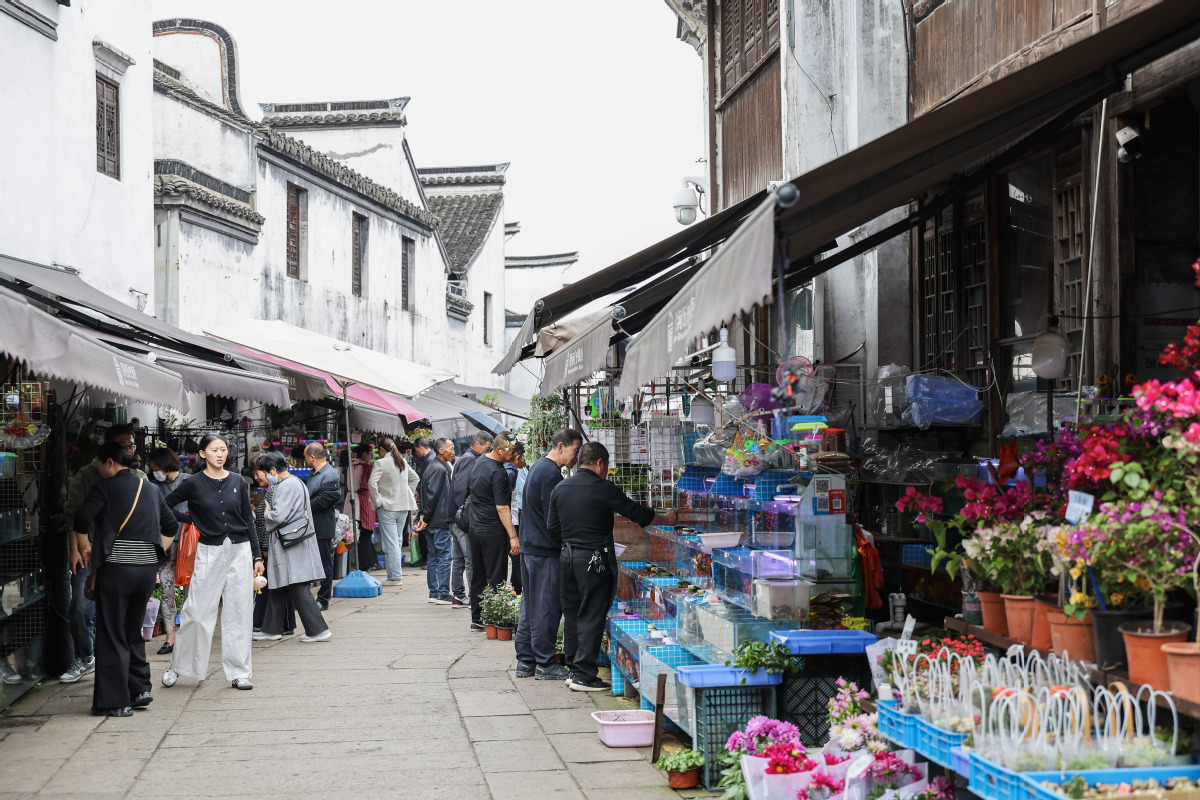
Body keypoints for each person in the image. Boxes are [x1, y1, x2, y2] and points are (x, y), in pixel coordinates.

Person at [549, 441, 676, 691]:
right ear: (600, 463)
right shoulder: (603, 488)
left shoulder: (560, 488)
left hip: (567, 558)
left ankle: (575, 669)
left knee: (573, 612)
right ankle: (585, 675)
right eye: (606, 466)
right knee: (592, 613)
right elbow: (636, 513)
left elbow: (552, 529)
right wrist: (666, 518)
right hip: (594, 559)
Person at [70, 441, 179, 716]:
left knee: (111, 633)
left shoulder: (104, 487)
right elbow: (171, 525)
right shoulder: (151, 489)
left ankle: (116, 702)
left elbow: (81, 517)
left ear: (109, 462)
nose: (99, 470)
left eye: (99, 465)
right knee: (133, 631)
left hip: (117, 570)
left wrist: (84, 547)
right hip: (145, 572)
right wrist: (154, 554)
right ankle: (140, 689)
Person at [160, 434, 265, 691]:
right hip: (209, 550)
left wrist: (258, 555)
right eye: (214, 449)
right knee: (196, 611)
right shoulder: (192, 483)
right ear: (203, 454)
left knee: (239, 612)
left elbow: (248, 520)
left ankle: (239, 672)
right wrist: (191, 519)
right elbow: (164, 505)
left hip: (239, 550)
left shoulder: (239, 481)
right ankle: (178, 666)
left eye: (223, 449)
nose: (221, 453)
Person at [62, 424, 147, 684]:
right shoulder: (89, 474)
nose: (130, 449)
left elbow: (152, 518)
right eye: (125, 445)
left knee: (124, 613)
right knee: (80, 606)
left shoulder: (140, 477)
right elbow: (74, 516)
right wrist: (74, 551)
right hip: (90, 552)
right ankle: (86, 657)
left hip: (125, 553)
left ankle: (124, 667)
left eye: (132, 445)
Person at [513, 429, 583, 681]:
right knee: (546, 607)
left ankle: (526, 661)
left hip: (531, 548)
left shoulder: (538, 468)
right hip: (543, 551)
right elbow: (552, 518)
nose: (576, 457)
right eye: (575, 451)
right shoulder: (550, 473)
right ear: (562, 446)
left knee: (530, 606)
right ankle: (544, 663)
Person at [256, 452, 331, 643]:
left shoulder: (286, 485)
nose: (264, 476)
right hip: (291, 542)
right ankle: (272, 629)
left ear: (273, 470)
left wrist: (266, 515)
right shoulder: (294, 482)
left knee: (297, 585)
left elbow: (278, 516)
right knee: (278, 586)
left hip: (290, 543)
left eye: (265, 472)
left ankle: (318, 630)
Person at [466, 433, 518, 632]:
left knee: (478, 575)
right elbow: (502, 508)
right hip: (492, 530)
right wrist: (513, 536)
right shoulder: (499, 472)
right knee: (496, 577)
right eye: (512, 450)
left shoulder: (479, 462)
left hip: (475, 528)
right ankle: (493, 619)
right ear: (499, 449)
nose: (514, 454)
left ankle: (477, 617)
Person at [146, 448, 190, 655]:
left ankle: (191, 635)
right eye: (153, 469)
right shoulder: (154, 486)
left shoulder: (190, 481)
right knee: (167, 591)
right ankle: (170, 637)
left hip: (190, 544)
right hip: (165, 544)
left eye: (157, 468)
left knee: (192, 590)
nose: (155, 472)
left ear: (166, 465)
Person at [249, 456, 294, 635]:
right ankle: (280, 623)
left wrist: (265, 548)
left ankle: (267, 623)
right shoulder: (271, 489)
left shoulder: (276, 489)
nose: (256, 477)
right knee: (274, 586)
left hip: (271, 547)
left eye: (258, 472)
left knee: (269, 586)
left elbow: (274, 519)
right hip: (269, 546)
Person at [448, 432, 492, 607]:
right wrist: (464, 515)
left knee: (459, 559)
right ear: (477, 445)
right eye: (487, 448)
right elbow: (461, 488)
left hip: (455, 517)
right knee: (469, 559)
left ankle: (458, 595)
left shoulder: (466, 458)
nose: (488, 452)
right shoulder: (470, 459)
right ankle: (475, 598)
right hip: (460, 518)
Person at [368, 437, 419, 584]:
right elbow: (415, 479)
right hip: (403, 507)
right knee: (395, 541)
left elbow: (372, 483)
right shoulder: (401, 461)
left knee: (391, 542)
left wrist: (378, 500)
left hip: (388, 506)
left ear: (382, 450)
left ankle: (396, 576)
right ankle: (392, 575)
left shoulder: (381, 463)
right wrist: (407, 493)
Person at [413, 438, 455, 604]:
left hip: (432, 520)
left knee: (433, 557)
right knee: (444, 556)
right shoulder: (438, 468)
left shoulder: (433, 466)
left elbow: (426, 495)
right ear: (441, 451)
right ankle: (443, 593)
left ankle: (434, 592)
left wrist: (423, 516)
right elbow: (432, 496)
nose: (453, 451)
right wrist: (425, 517)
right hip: (438, 520)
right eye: (450, 448)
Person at [304, 443, 344, 610]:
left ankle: (324, 599)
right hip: (309, 526)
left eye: (306, 457)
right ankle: (306, 600)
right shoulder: (313, 474)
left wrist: (303, 508)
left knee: (324, 564)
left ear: (312, 457)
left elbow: (325, 499)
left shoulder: (329, 475)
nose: (305, 460)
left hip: (322, 527)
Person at [345, 443, 379, 572]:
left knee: (356, 533)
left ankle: (370, 561)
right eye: (370, 454)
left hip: (350, 500)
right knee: (365, 533)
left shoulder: (350, 466)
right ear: (364, 454)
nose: (371, 456)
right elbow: (370, 486)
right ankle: (365, 563)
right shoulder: (367, 468)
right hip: (363, 501)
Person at [504, 443, 526, 596]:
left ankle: (516, 586)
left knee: (516, 555)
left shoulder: (517, 469)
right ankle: (517, 589)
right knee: (516, 553)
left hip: (514, 515)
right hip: (513, 517)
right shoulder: (511, 471)